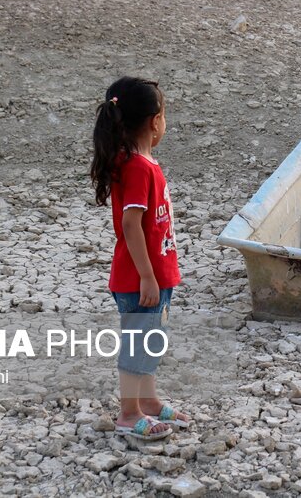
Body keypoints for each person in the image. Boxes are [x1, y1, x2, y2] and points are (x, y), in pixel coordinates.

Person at [90, 76, 191, 440]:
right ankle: (129, 414)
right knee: (137, 345)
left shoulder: (143, 162)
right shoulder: (136, 167)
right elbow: (130, 225)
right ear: (154, 121)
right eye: (165, 114)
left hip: (156, 275)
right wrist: (147, 276)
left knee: (151, 340)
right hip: (140, 279)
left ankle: (147, 401)